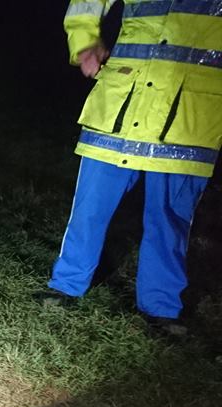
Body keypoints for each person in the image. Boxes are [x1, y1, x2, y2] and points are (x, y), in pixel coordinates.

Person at [40, 1, 222, 336]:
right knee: (88, 209)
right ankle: (66, 285)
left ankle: (162, 308)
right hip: (119, 107)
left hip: (189, 119)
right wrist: (84, 43)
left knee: (170, 220)